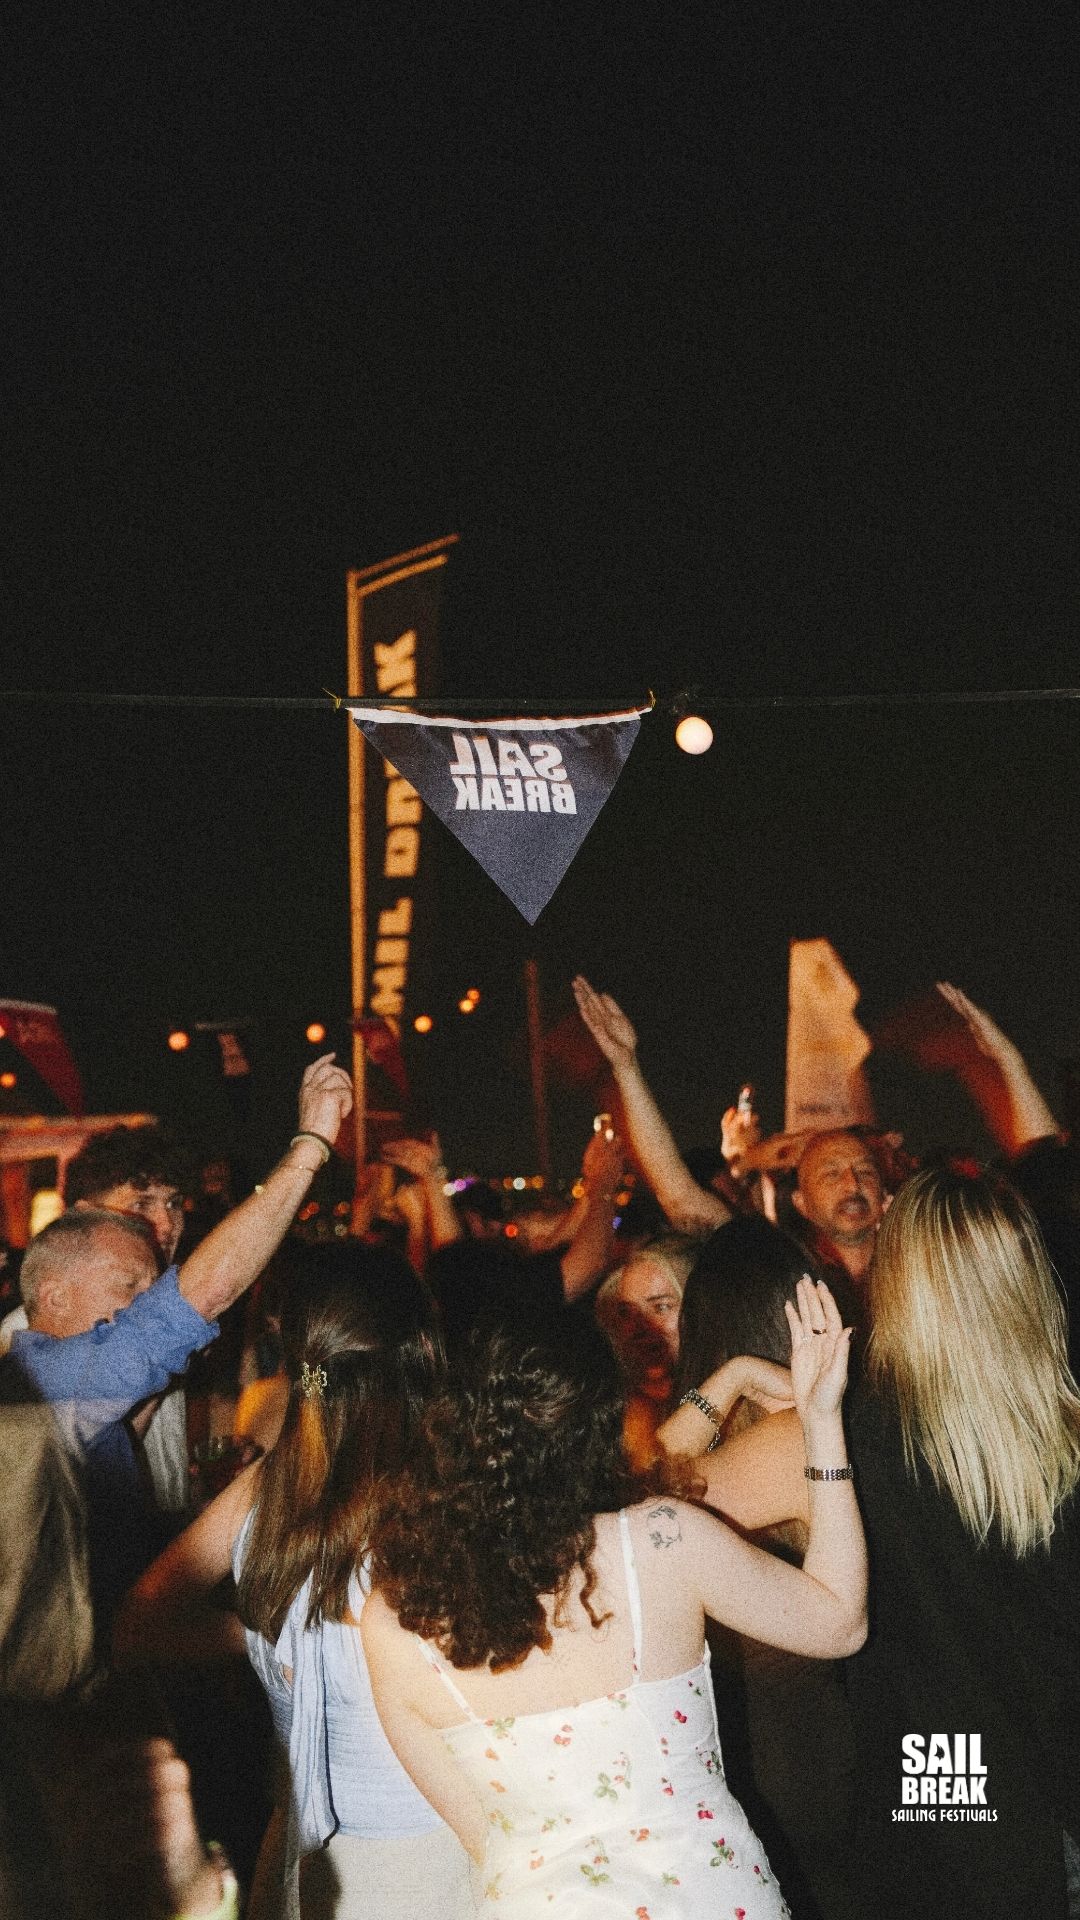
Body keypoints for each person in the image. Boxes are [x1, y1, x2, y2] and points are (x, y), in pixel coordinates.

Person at [361, 1283, 866, 1915]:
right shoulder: (660, 1540)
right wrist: (821, 1423)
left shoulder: (393, 1618)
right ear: (602, 1421)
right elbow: (839, 1623)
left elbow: (482, 1834)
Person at [690, 1166, 1080, 1920]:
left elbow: (642, 1507)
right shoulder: (1068, 1430)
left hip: (943, 1787)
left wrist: (729, 1380)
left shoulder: (834, 1434)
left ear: (894, 1283)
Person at [114, 1243, 474, 1920]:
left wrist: (265, 1635)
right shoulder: (453, 1488)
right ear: (425, 1348)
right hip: (432, 1842)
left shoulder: (265, 1486)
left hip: (305, 1854)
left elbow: (139, 1624)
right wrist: (273, 1636)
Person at [1, 1054, 352, 1631]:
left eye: (172, 1204)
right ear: (81, 1217)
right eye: (140, 1204)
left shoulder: (125, 1339)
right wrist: (310, 1144)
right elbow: (203, 1296)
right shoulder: (33, 1357)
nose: (164, 1223)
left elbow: (119, 1482)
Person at [571, 977, 889, 1287]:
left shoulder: (914, 1260)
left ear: (885, 1197)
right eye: (831, 1174)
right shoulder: (777, 1273)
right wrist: (626, 1067)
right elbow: (679, 1196)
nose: (852, 1184)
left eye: (866, 1171)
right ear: (801, 1201)